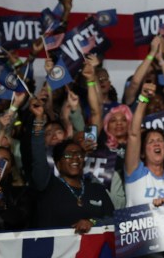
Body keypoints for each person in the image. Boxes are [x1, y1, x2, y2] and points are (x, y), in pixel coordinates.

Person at [29, 97, 114, 232]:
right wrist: (39, 120)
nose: (75, 158)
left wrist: (93, 222)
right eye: (68, 155)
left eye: (79, 154)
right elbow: (38, 156)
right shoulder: (47, 186)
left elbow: (113, 220)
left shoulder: (97, 189)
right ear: (58, 163)